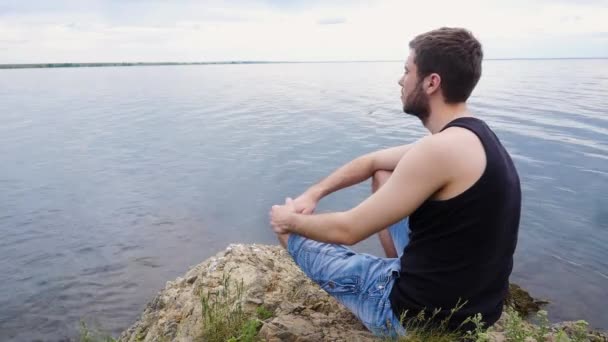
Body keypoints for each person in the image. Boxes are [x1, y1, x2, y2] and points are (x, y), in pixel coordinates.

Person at [269, 27, 521, 337]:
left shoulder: (437, 150)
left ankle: (392, 289)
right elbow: (373, 162)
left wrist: (289, 219)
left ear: (431, 82)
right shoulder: (475, 136)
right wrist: (315, 192)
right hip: (479, 310)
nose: (401, 80)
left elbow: (348, 230)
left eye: (407, 71)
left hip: (417, 319)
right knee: (383, 175)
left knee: (289, 233)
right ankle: (403, 270)